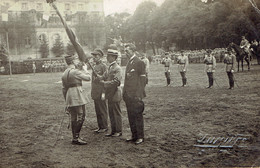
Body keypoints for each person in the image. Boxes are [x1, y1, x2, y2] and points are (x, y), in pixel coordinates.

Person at [61, 54, 91, 145]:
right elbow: (88, 78)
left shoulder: (64, 72)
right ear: (73, 61)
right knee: (81, 115)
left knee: (74, 116)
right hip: (77, 95)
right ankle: (76, 138)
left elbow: (63, 89)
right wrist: (85, 69)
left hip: (69, 96)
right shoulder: (75, 72)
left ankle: (75, 137)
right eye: (76, 60)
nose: (77, 61)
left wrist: (66, 101)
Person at [123, 43, 146, 145]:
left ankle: (140, 136)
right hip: (128, 95)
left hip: (135, 95)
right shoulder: (130, 62)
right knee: (131, 115)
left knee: (137, 116)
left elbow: (143, 79)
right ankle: (134, 135)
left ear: (133, 50)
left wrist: (138, 94)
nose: (126, 53)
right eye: (125, 51)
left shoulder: (139, 62)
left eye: (127, 51)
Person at [99, 48, 123, 137]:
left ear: (114, 57)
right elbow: (104, 76)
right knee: (111, 112)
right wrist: (99, 77)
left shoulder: (117, 68)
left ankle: (118, 131)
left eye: (109, 56)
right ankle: (113, 130)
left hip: (115, 92)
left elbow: (116, 81)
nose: (107, 58)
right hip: (110, 93)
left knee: (116, 112)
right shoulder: (110, 67)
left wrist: (104, 83)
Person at [91, 48, 108, 133]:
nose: (94, 57)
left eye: (96, 56)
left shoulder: (103, 66)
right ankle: (100, 126)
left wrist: (104, 93)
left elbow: (106, 79)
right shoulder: (94, 66)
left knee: (102, 110)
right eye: (93, 56)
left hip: (101, 91)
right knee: (98, 110)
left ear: (100, 56)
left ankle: (104, 126)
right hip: (96, 92)